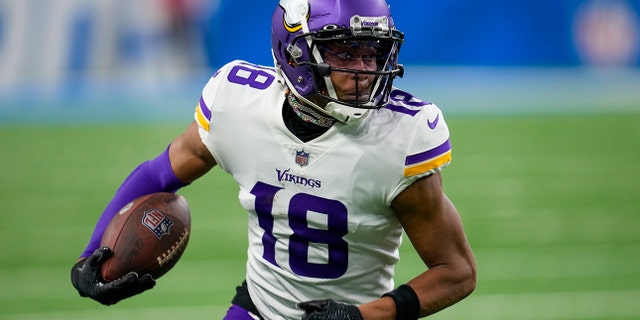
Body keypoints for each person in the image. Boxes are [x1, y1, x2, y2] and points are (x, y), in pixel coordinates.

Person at [70, 0, 477, 319]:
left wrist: (363, 316)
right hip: (257, 309)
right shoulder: (236, 104)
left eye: (372, 53)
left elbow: (456, 271)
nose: (365, 71)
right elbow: (159, 174)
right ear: (296, 53)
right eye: (345, 53)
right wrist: (92, 256)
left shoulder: (401, 137)